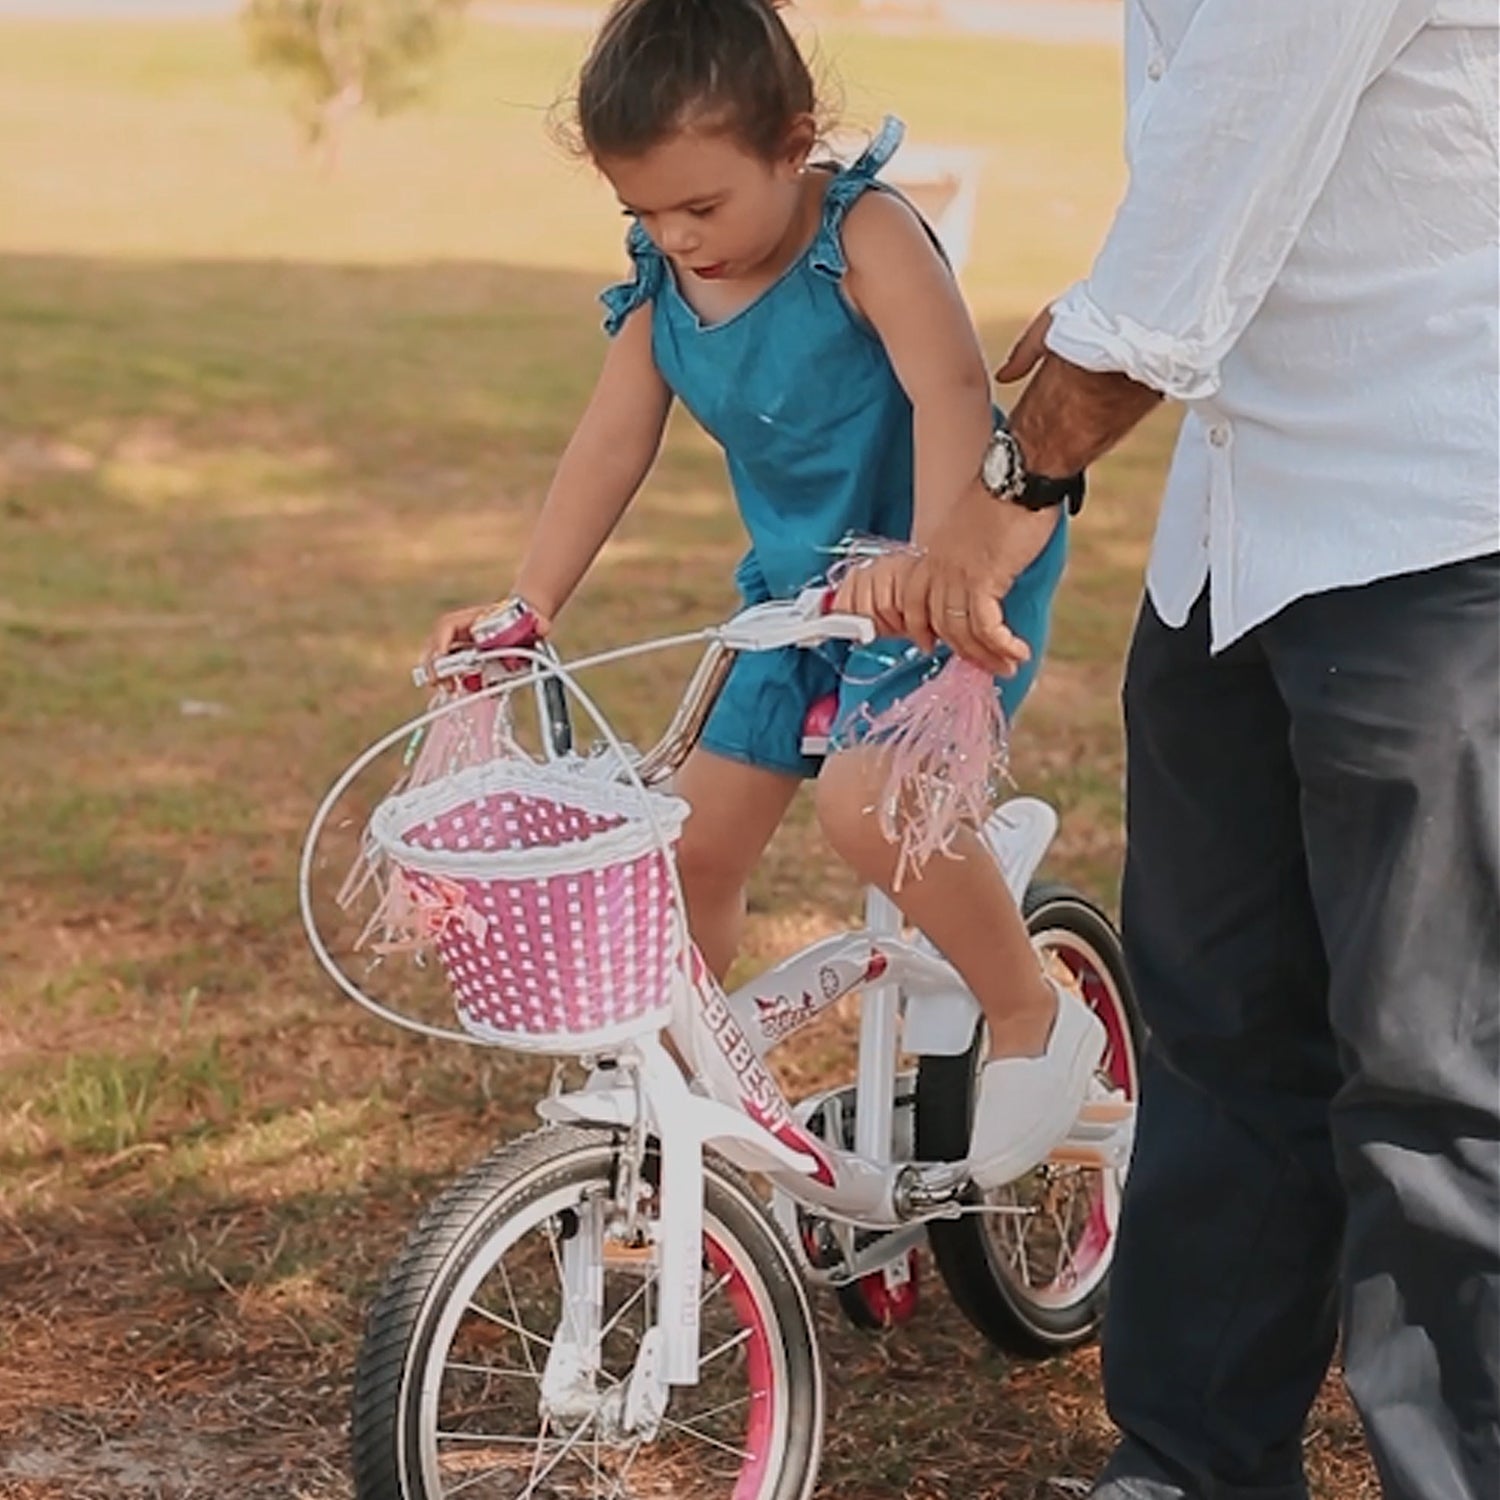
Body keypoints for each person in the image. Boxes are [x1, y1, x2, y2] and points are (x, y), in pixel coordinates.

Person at [859, 3, 1500, 1497]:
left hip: (1428, 534)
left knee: (1433, 1080)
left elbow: (1222, 168)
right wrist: (1109, 314)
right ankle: (1192, 1462)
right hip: (1233, 538)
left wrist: (1018, 478)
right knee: (1219, 1039)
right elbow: (1253, 189)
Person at [423, 0, 1106, 1189]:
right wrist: (529, 603)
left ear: (793, 145)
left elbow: (950, 390)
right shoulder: (668, 284)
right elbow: (611, 439)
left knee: (869, 804)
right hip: (797, 594)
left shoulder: (862, 236)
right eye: (642, 213)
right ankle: (681, 1085)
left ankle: (1032, 1015)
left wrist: (936, 560)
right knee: (687, 842)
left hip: (941, 571)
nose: (674, 237)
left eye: (700, 205)